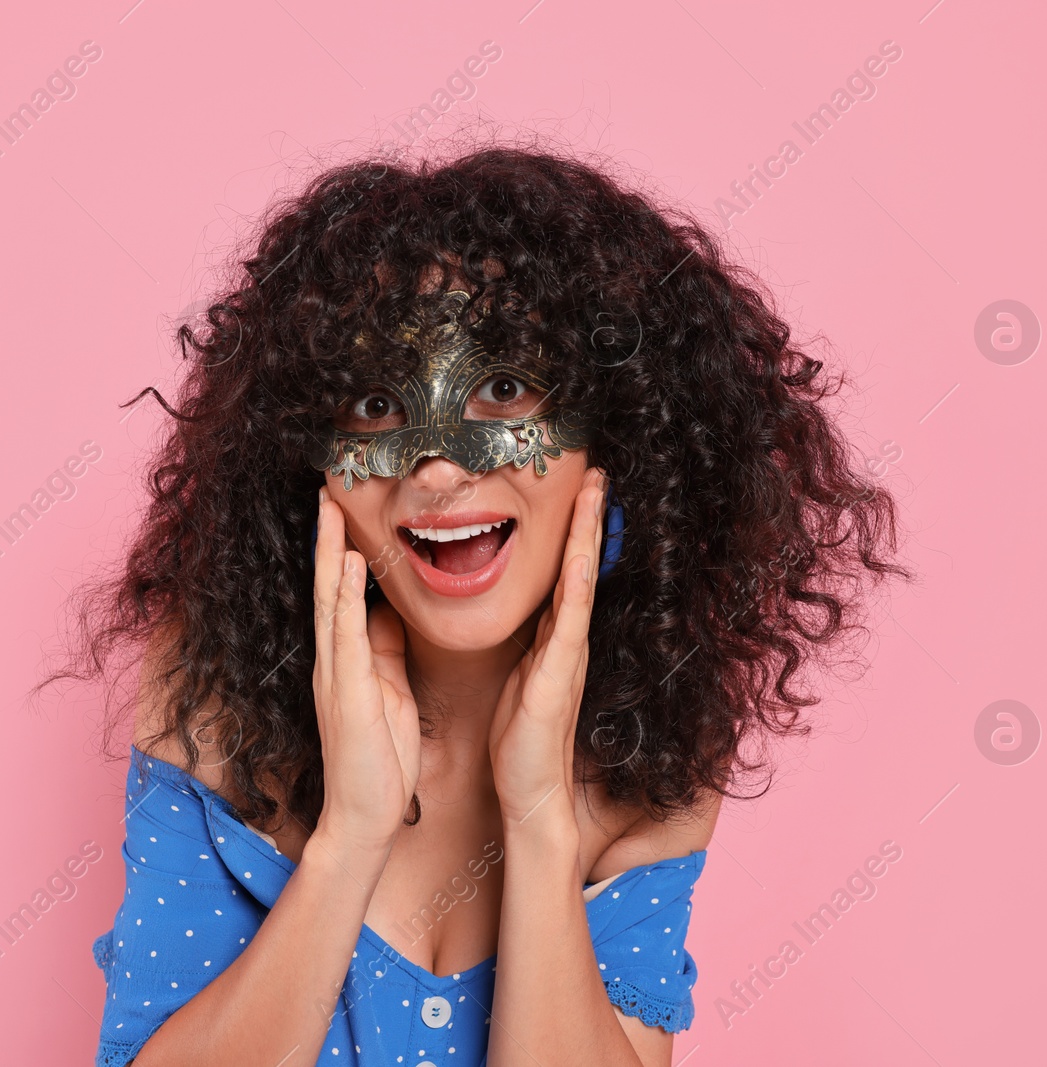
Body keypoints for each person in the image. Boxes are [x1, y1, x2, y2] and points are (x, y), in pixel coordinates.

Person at [46, 144, 908, 1067]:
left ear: (618, 433)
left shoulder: (664, 734)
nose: (443, 466)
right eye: (377, 401)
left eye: (501, 386)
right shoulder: (213, 686)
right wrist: (350, 836)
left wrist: (539, 816)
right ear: (311, 464)